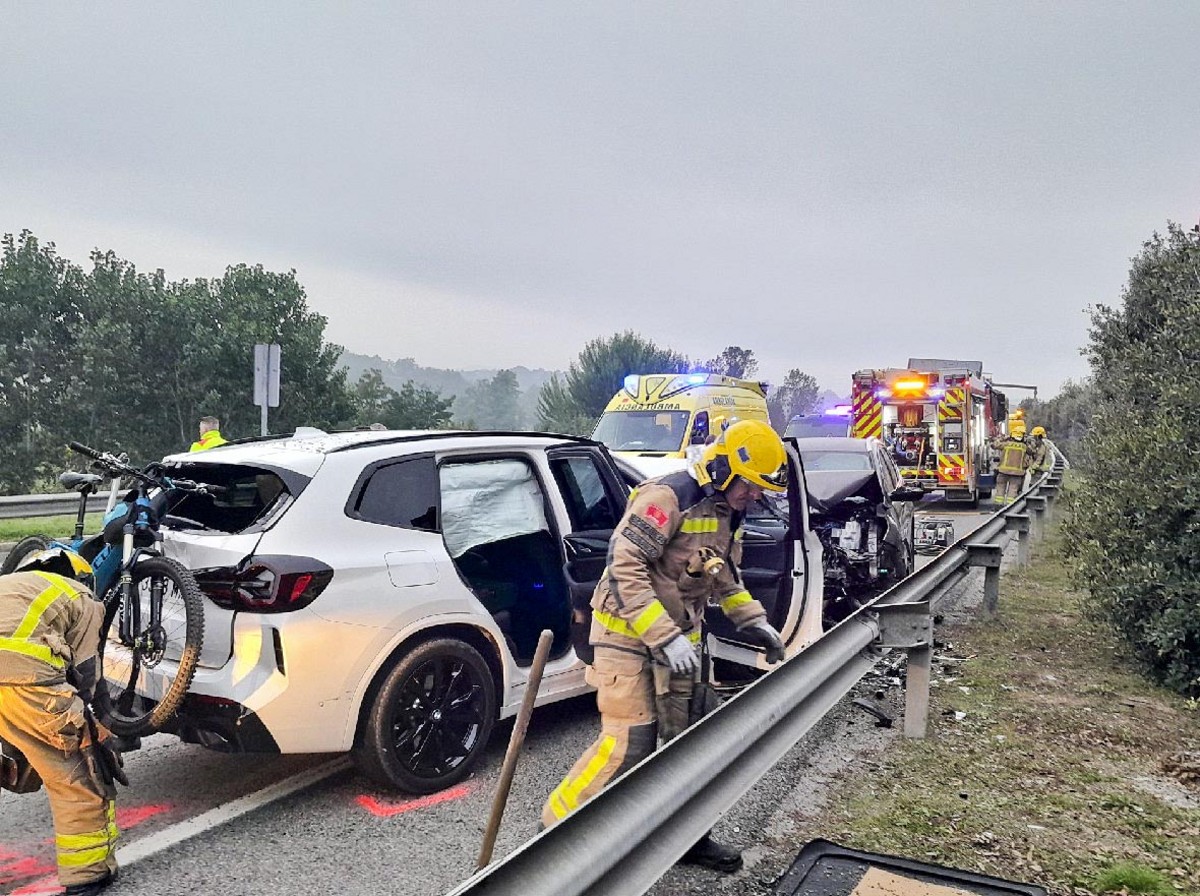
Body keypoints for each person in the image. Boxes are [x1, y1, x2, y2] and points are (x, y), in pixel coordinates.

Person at [541, 419, 788, 873]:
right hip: (626, 634)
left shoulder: (730, 509)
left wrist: (755, 623)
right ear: (722, 469)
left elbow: (723, 575)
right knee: (630, 744)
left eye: (759, 490)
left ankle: (686, 837)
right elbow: (624, 567)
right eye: (750, 487)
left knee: (689, 742)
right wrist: (663, 636)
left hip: (682, 636)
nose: (754, 497)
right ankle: (550, 845)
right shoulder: (667, 497)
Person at [0, 548, 124, 895]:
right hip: (27, 685)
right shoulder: (81, 596)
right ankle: (88, 876)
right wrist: (98, 725)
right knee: (78, 775)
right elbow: (87, 674)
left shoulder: (9, 585)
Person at [992, 424, 1031, 505]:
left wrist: (1002, 438)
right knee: (1013, 491)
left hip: (1003, 472)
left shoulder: (1006, 444)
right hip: (1017, 474)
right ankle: (1010, 508)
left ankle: (998, 507)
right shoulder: (1024, 447)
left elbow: (994, 445)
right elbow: (1032, 451)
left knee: (1000, 490)